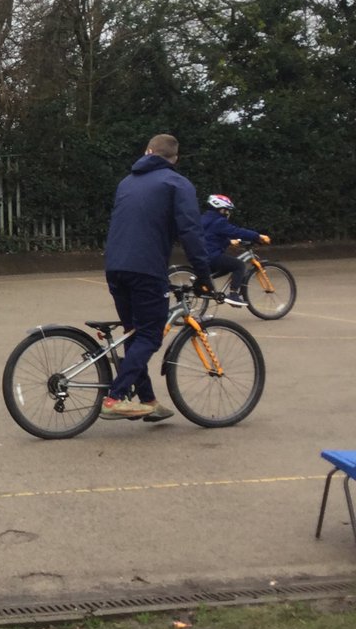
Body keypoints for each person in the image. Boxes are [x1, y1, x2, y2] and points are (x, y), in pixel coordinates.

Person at [101, 134, 214, 422]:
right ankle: (115, 398)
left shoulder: (126, 182)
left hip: (115, 266)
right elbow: (191, 232)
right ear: (175, 159)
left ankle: (148, 400)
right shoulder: (177, 183)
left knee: (134, 334)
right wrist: (203, 275)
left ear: (148, 151)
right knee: (150, 335)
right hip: (147, 269)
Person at [201, 194, 271, 307]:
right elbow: (237, 231)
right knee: (239, 265)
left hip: (201, 255)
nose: (228, 213)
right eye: (227, 211)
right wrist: (257, 236)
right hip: (212, 256)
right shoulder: (219, 221)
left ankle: (204, 282)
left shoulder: (204, 219)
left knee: (226, 267)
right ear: (221, 209)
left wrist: (228, 242)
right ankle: (233, 294)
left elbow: (210, 237)